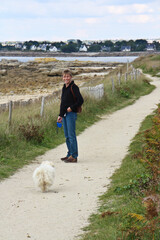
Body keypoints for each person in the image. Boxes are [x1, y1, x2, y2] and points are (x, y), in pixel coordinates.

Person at [57, 69, 84, 163]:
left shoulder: (74, 87)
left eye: (68, 76)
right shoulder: (64, 87)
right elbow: (63, 103)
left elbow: (80, 100)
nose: (66, 78)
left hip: (71, 114)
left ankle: (74, 156)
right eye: (64, 76)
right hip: (64, 115)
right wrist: (60, 115)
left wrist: (72, 108)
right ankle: (69, 154)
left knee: (71, 135)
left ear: (71, 77)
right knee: (67, 136)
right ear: (62, 77)